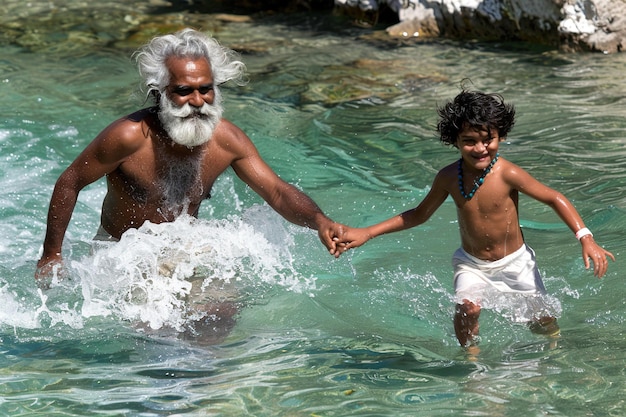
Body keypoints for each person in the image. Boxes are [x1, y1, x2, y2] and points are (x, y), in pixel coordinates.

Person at [35, 29, 345, 338]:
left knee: (218, 321)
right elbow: (70, 182)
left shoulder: (227, 140)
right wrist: (52, 254)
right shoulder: (128, 137)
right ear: (159, 91)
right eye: (183, 91)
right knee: (160, 339)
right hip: (124, 256)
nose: (197, 101)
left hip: (182, 248)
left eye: (205, 89)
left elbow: (277, 192)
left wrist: (319, 221)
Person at [334, 89, 615, 348]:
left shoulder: (507, 174)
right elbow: (419, 214)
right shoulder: (447, 177)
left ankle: (555, 348)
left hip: (516, 263)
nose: (480, 149)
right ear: (454, 141)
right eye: (469, 141)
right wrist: (367, 232)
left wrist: (585, 238)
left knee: (542, 322)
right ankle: (471, 359)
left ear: (500, 136)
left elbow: (554, 198)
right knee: (468, 309)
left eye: (487, 139)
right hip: (472, 264)